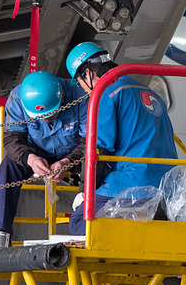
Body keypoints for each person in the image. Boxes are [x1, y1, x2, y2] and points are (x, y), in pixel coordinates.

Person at [65, 42, 177, 234]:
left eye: (79, 82)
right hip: (167, 190)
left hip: (132, 184)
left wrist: (86, 192)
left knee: (78, 222)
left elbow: (99, 150)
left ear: (88, 73)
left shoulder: (105, 93)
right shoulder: (150, 92)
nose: (83, 89)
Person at [0, 71, 87, 246]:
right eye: (39, 117)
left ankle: (91, 231)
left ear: (62, 98)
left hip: (73, 153)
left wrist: (68, 162)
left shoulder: (81, 95)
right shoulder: (17, 99)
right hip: (35, 152)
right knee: (7, 168)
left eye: (50, 114)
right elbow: (12, 139)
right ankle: (0, 235)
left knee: (99, 164)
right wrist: (30, 158)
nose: (45, 120)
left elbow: (91, 141)